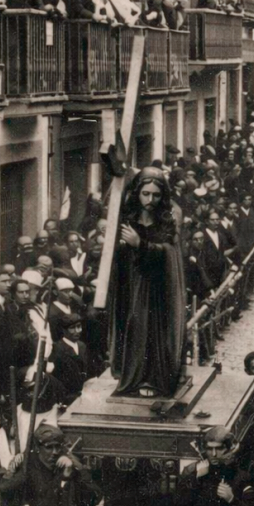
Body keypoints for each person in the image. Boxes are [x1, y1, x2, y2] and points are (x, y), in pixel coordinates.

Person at [107, 168, 186, 398]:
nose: (150, 200)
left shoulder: (167, 224)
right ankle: (132, 378)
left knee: (154, 332)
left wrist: (139, 244)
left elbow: (169, 254)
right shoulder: (126, 221)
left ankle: (155, 380)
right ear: (137, 193)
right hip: (130, 288)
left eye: (156, 195)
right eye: (145, 193)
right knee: (132, 327)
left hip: (158, 291)